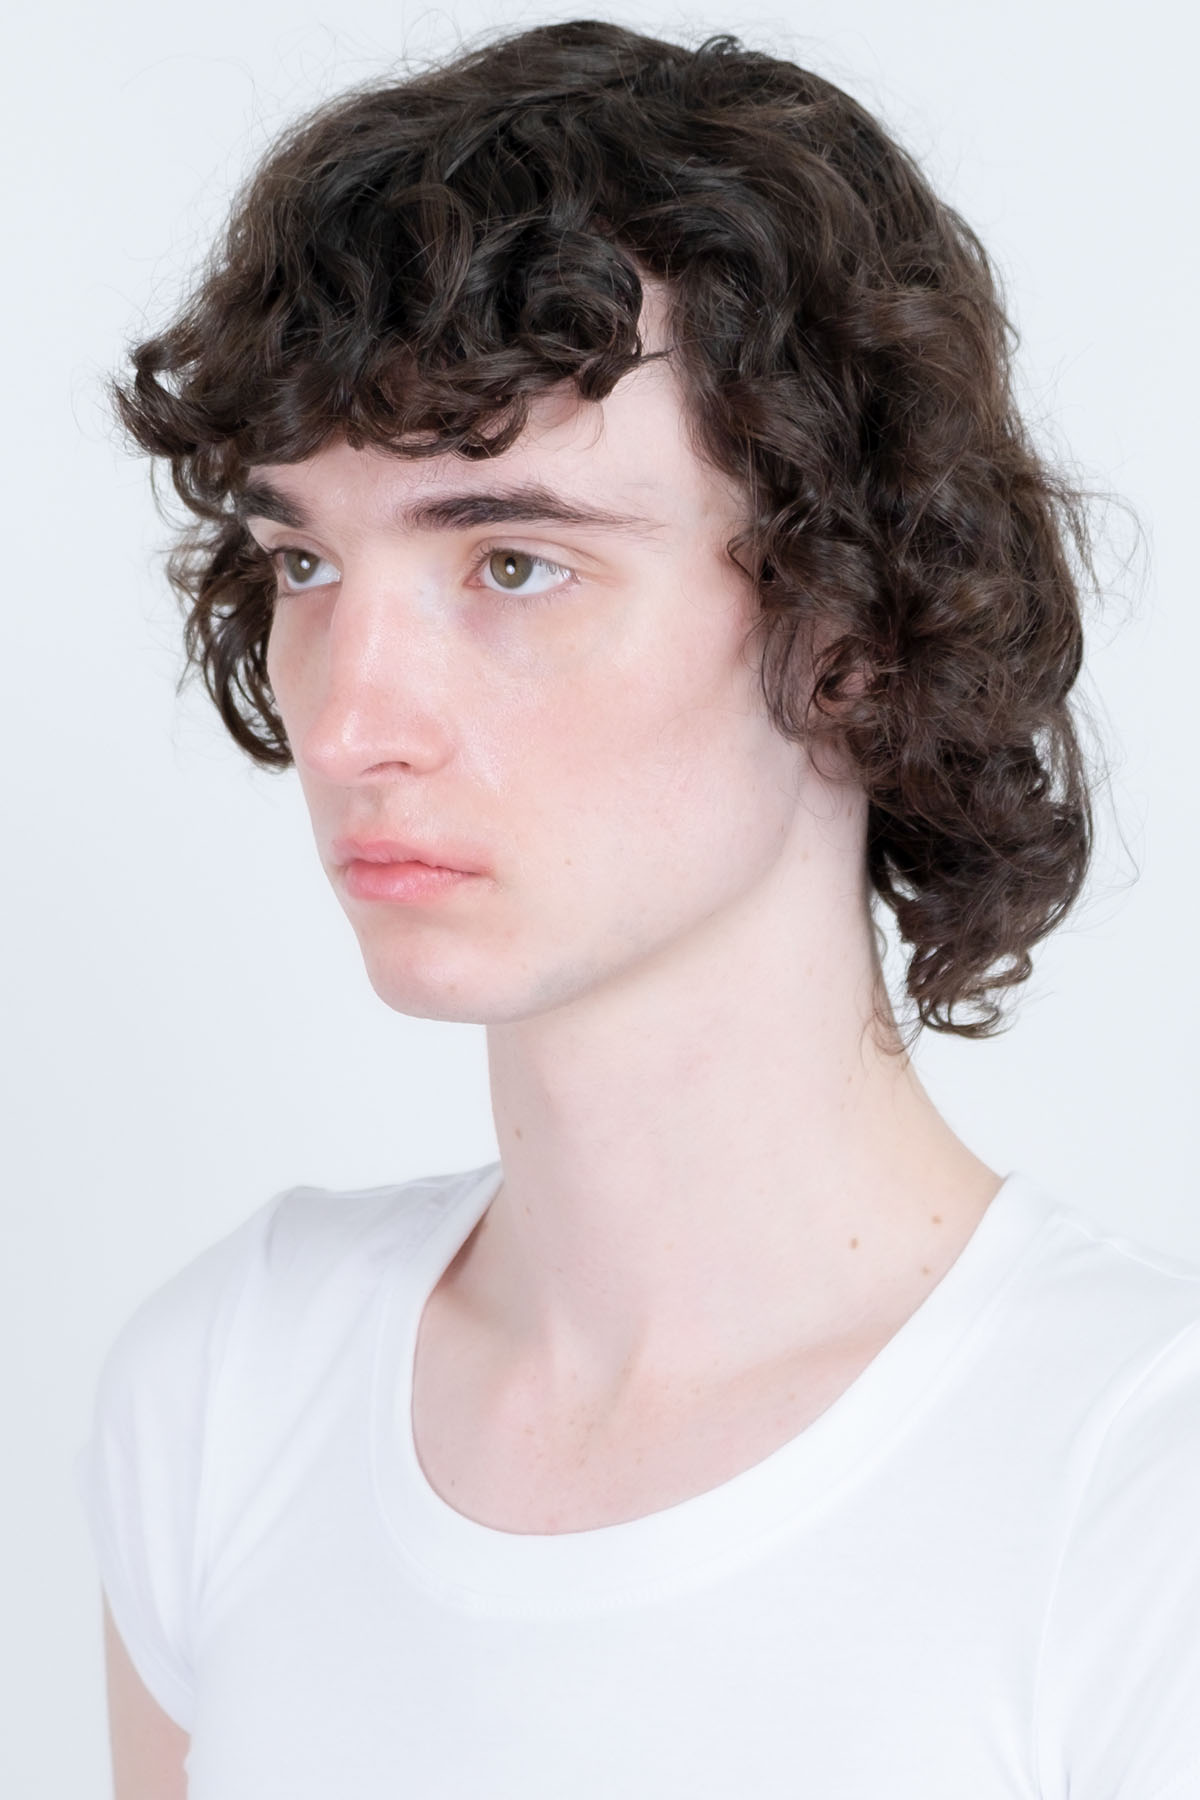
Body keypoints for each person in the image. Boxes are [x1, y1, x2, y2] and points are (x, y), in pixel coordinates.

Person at [75, 19, 1200, 1799]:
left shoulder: (1134, 1493)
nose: (350, 723)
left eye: (513, 563)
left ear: (850, 626)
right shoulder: (231, 1388)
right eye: (306, 562)